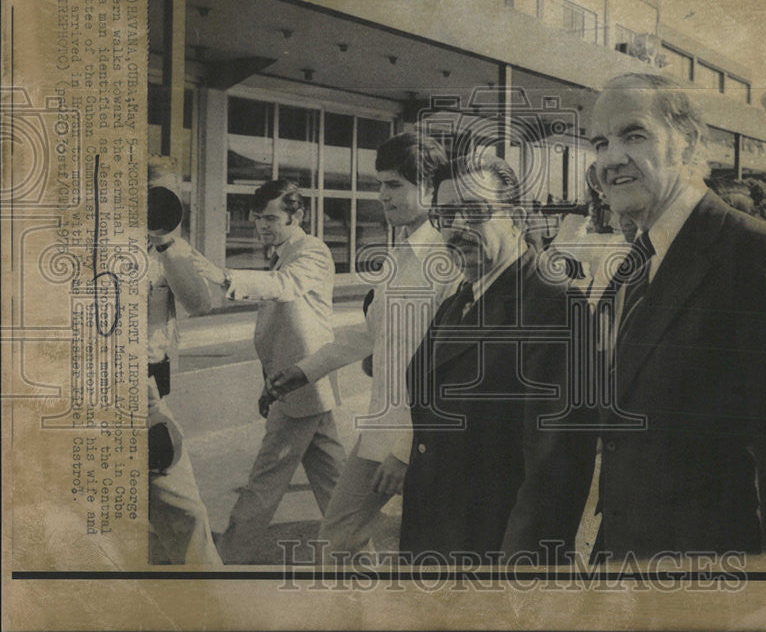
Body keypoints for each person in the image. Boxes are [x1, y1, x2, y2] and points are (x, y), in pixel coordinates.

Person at [585, 73, 766, 558]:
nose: (611, 159)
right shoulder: (637, 265)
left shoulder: (756, 254)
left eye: (634, 135)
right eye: (600, 142)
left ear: (687, 141)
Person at [401, 154, 595, 562]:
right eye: (446, 214)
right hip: (439, 547)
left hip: (494, 560)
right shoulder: (463, 297)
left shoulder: (553, 306)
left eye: (474, 212)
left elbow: (553, 471)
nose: (457, 228)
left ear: (519, 217)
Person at [267, 133, 452, 556]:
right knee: (340, 540)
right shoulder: (400, 255)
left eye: (394, 185)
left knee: (426, 557)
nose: (381, 195)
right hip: (383, 432)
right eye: (380, 184)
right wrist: (305, 370)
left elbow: (449, 368)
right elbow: (370, 334)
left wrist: (405, 449)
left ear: (429, 188)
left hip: (424, 440)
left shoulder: (447, 260)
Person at [193, 180, 345, 563]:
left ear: (297, 216)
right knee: (334, 482)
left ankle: (227, 559)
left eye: (272, 217)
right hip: (299, 385)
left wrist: (225, 276)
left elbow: (284, 286)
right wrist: (270, 384)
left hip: (302, 383)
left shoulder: (312, 251)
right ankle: (360, 555)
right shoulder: (283, 250)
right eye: (257, 217)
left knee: (264, 481)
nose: (262, 224)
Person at [146, 159, 222, 565]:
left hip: (148, 396)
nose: (163, 203)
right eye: (154, 193)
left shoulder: (171, 247)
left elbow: (201, 303)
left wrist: (166, 245)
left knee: (188, 518)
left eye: (172, 195)